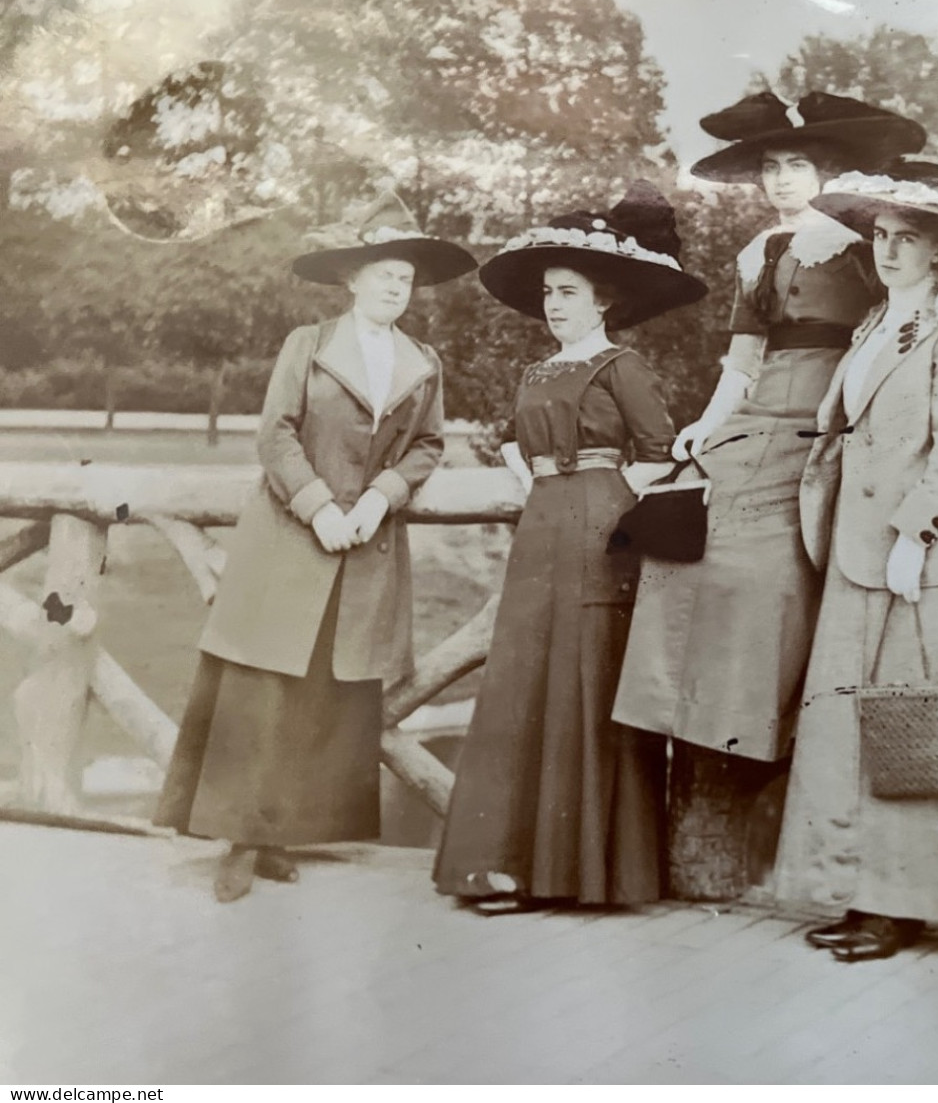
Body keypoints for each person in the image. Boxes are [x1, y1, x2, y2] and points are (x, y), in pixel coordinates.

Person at [155, 192, 475, 902]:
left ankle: (280, 835)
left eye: (407, 277)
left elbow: (427, 446)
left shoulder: (423, 360)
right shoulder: (309, 342)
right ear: (352, 278)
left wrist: (374, 499)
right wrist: (318, 505)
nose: (398, 286)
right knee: (262, 692)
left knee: (324, 696)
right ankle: (237, 840)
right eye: (385, 273)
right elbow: (276, 433)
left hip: (363, 546)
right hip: (292, 539)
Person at [770, 144, 938, 961]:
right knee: (856, 728)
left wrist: (913, 535)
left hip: (924, 562)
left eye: (905, 238)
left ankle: (909, 904)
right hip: (857, 553)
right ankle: (861, 893)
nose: (887, 249)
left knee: (918, 729)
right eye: (881, 235)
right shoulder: (876, 324)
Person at [611, 92, 926, 771]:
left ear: (826, 173)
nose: (783, 179)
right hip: (758, 414)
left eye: (799, 165)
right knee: (679, 536)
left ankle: (748, 729)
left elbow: (904, 320)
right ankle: (671, 711)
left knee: (760, 569)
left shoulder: (861, 244)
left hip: (829, 413)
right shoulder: (757, 251)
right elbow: (745, 360)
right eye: (773, 166)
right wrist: (707, 423)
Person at [432, 181, 707, 913]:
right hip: (539, 533)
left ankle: (586, 873)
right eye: (549, 292)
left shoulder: (623, 366)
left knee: (584, 688)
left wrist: (607, 498)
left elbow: (660, 451)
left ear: (604, 298)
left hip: (597, 534)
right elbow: (519, 446)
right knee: (522, 686)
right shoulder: (534, 371)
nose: (554, 305)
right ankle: (508, 866)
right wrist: (532, 473)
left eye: (570, 292)